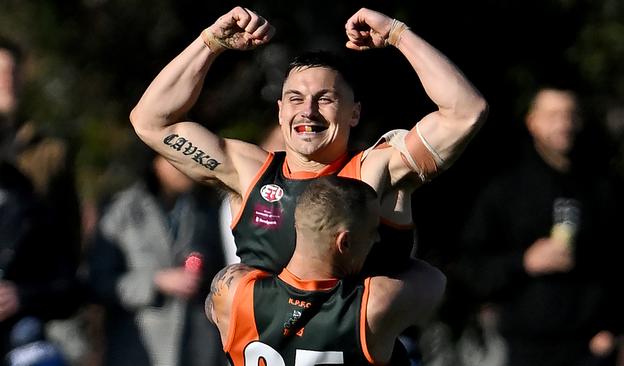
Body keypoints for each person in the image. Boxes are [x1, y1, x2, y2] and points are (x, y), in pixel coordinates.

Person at [130, 5, 487, 362]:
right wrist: (210, 42)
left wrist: (397, 33)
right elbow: (151, 122)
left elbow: (465, 111)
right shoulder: (249, 171)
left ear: (355, 113)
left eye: (325, 99)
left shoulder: (378, 171)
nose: (308, 111)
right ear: (281, 110)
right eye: (296, 99)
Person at [454, 87, 624, 366]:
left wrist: (616, 327)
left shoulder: (604, 187)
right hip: (528, 347)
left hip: (593, 348)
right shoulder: (505, 190)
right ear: (532, 121)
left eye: (570, 115)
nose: (563, 123)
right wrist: (525, 262)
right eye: (553, 115)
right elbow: (470, 267)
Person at [205, 176, 446, 365]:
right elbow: (435, 280)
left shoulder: (233, 292)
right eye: (373, 231)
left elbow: (212, 308)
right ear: (345, 243)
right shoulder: (373, 305)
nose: (377, 238)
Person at [86, 153, 229, 366]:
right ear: (154, 161)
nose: (185, 167)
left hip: (198, 344)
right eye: (175, 160)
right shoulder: (121, 211)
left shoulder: (203, 207)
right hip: (139, 345)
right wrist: (157, 281)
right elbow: (100, 282)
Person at [0, 36, 83, 360]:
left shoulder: (50, 152)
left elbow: (68, 240)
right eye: (0, 71)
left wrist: (34, 294)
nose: (8, 80)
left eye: (13, 71)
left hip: (28, 307)